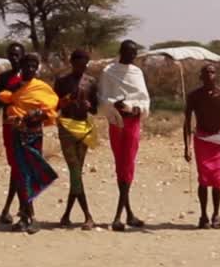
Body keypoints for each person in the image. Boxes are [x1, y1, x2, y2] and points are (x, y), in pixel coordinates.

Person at [0, 53, 59, 234]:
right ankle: (26, 216)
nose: (31, 69)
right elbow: (5, 100)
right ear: (22, 67)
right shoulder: (14, 86)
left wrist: (37, 114)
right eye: (28, 66)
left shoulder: (41, 87)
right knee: (20, 175)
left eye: (34, 66)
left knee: (31, 174)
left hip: (34, 135)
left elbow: (51, 108)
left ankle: (29, 216)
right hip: (17, 134)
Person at [97, 40, 151, 231]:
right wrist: (115, 104)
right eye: (129, 52)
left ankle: (120, 215)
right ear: (121, 52)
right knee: (121, 165)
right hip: (117, 122)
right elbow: (102, 98)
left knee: (128, 164)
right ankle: (127, 214)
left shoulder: (137, 73)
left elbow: (144, 100)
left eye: (134, 53)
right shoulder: (108, 71)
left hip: (133, 122)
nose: (132, 56)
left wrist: (135, 107)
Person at [183, 64, 220, 229]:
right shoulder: (194, 96)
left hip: (218, 140)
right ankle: (203, 215)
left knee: (218, 179)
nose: (209, 75)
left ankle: (216, 214)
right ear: (201, 77)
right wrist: (186, 146)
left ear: (216, 75)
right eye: (205, 72)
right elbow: (187, 122)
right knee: (203, 179)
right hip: (202, 140)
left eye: (212, 72)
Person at [55, 49, 99, 230]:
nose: (81, 67)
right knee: (75, 171)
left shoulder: (91, 82)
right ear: (71, 63)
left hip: (84, 128)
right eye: (78, 64)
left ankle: (66, 215)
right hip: (66, 127)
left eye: (84, 64)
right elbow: (54, 105)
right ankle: (88, 215)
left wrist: (88, 106)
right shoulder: (62, 82)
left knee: (77, 173)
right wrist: (67, 100)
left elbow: (96, 109)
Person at [0, 42, 26, 225]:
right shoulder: (4, 77)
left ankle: (13, 207)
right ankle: (17, 207)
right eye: (11, 55)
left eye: (17, 55)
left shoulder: (30, 76)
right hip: (9, 125)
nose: (14, 58)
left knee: (22, 167)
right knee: (15, 166)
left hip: (28, 127)